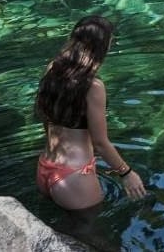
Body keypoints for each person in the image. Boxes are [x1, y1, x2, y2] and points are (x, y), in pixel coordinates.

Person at [35, 15, 146, 210]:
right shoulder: (93, 87)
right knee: (94, 239)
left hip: (45, 166)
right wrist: (127, 173)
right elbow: (100, 143)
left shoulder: (53, 69)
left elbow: (46, 118)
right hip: (74, 177)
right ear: (103, 46)